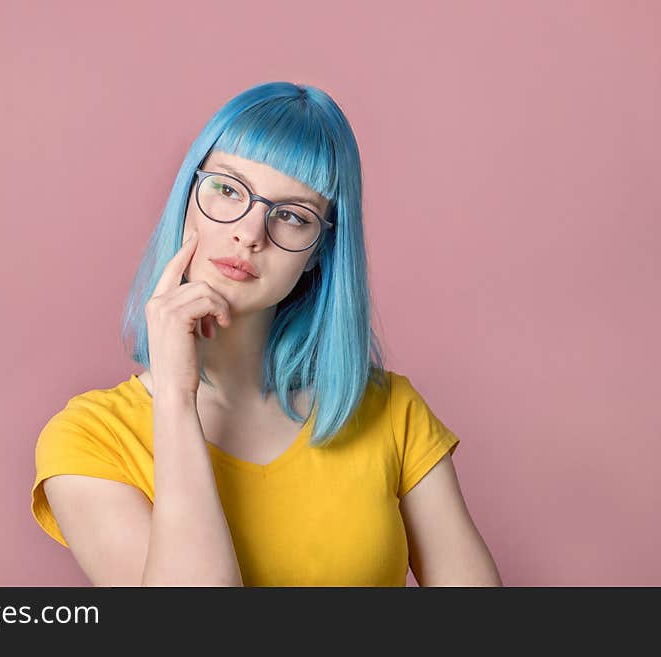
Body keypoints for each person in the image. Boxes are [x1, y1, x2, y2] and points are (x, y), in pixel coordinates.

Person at [30, 81, 502, 586]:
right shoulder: (91, 438)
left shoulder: (391, 413)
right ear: (188, 196)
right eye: (229, 190)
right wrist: (174, 396)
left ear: (319, 249)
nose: (250, 234)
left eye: (291, 216)